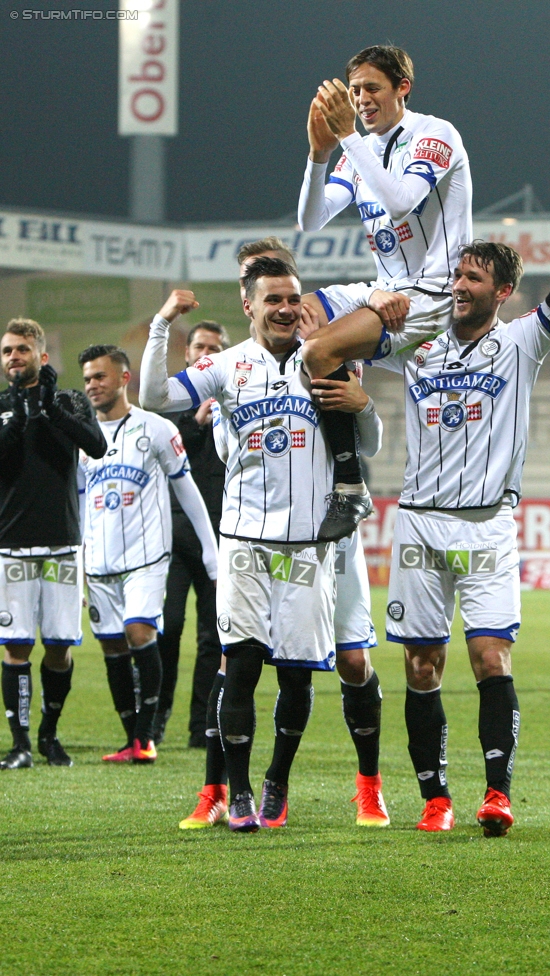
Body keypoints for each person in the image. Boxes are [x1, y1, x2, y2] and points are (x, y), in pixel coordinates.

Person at [302, 149, 550, 835]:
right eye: (455, 272)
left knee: (489, 656)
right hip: (419, 524)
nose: (457, 283)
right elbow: (336, 347)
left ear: (501, 291)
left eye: (472, 276)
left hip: (487, 526)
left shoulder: (522, 343)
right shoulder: (415, 344)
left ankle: (496, 792)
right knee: (422, 663)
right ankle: (433, 797)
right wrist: (367, 305)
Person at [141, 258, 389, 832]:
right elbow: (154, 394)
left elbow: (368, 445)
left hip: (308, 544)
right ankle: (242, 792)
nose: (283, 308)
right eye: (271, 298)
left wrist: (365, 406)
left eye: (291, 298)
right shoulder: (225, 367)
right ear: (249, 306)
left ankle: (278, 777)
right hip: (244, 542)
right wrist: (162, 323)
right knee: (243, 665)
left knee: (298, 672)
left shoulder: (327, 358)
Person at [298, 44, 472, 541]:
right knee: (301, 313)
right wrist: (318, 156)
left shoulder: (434, 135)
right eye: (354, 91)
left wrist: (347, 138)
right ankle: (349, 389)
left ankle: (350, 484)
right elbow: (309, 222)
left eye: (372, 88)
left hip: (433, 295)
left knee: (320, 347)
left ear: (403, 88)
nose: (361, 99)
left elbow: (400, 203)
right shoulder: (357, 153)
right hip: (386, 290)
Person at [78, 345, 218, 763]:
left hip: (147, 556)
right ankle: (132, 739)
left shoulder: (156, 428)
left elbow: (186, 490)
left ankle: (146, 736)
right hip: (100, 561)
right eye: (87, 378)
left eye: (100, 377)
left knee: (140, 631)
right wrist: (79, 563)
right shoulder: (82, 438)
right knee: (112, 648)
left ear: (124, 378)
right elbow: (81, 502)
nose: (92, 385)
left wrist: (212, 555)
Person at [0, 318, 106, 769]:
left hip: (62, 542)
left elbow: (97, 446)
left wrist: (49, 408)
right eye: (6, 351)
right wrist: (23, 414)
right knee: (16, 646)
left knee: (60, 646)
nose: (12, 358)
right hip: (10, 543)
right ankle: (20, 742)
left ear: (41, 356)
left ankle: (49, 735)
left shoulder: (69, 400)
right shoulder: (0, 406)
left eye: (22, 349)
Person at [154, 320, 230, 748]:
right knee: (167, 625)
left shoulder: (235, 400)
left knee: (211, 635)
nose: (206, 352)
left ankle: (202, 724)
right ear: (187, 354)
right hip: (173, 534)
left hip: (220, 535)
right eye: (200, 346)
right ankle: (157, 715)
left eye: (214, 348)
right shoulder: (166, 404)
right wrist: (195, 424)